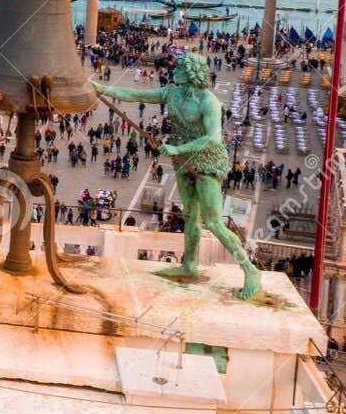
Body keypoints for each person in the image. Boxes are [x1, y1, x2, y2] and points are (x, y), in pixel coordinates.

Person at [93, 52, 262, 299]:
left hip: (206, 162)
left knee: (213, 222)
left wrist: (177, 148)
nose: (174, 70)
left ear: (191, 72)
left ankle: (250, 269)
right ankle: (189, 265)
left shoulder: (209, 102)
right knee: (190, 215)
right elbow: (135, 95)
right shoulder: (172, 92)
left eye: (179, 68)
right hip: (182, 162)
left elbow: (212, 138)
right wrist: (100, 88)